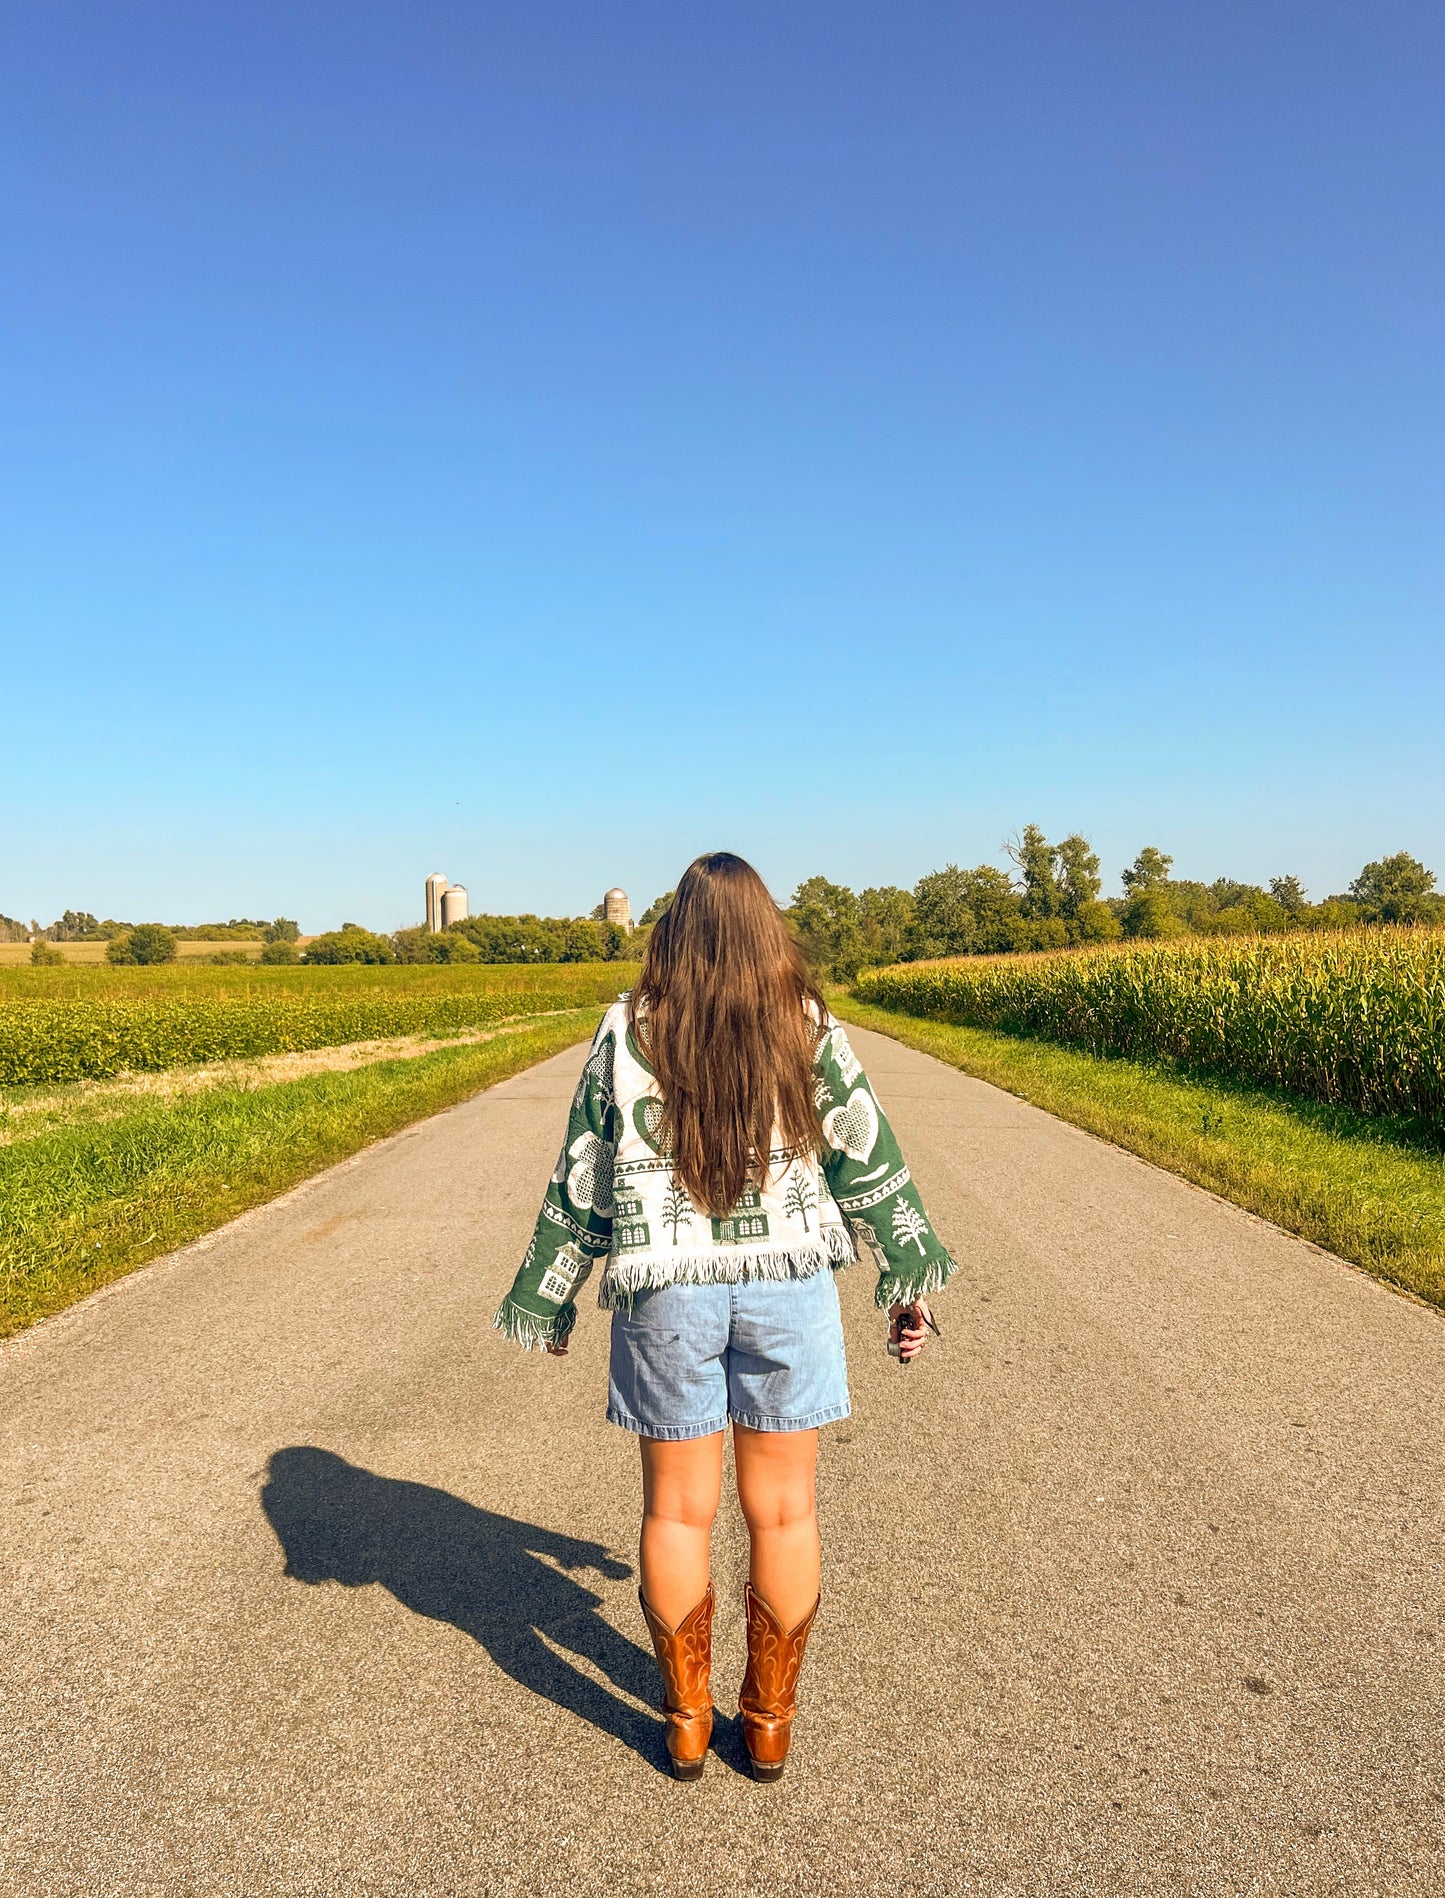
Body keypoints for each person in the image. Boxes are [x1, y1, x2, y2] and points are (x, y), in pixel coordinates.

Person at [495, 852, 955, 1781]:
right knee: (783, 1513)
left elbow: (585, 1163)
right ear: (765, 929)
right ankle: (770, 1722)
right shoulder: (811, 1027)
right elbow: (864, 1158)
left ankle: (687, 1723)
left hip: (665, 1286)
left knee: (675, 1511)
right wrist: (906, 1281)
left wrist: (552, 1291)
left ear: (673, 930)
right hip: (788, 1286)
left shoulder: (628, 1029)